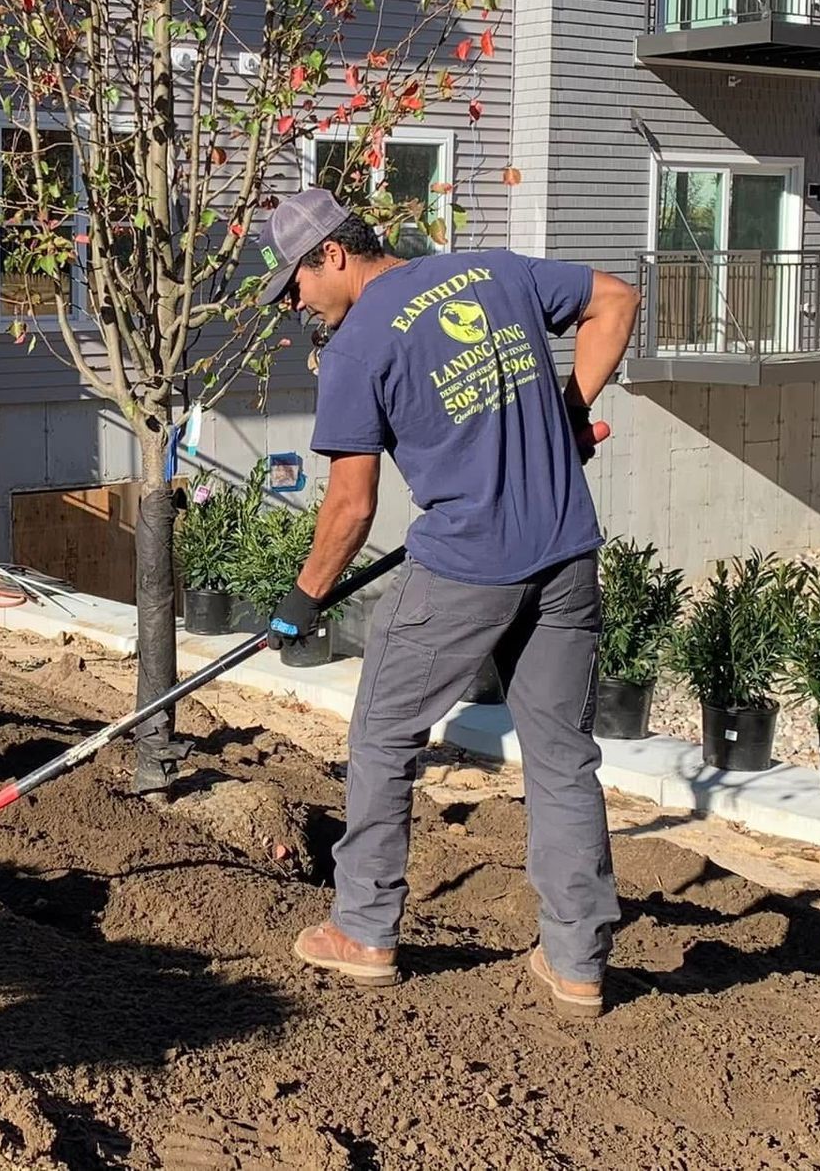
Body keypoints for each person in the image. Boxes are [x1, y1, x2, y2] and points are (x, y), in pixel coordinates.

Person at [257, 188, 639, 1019]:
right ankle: (577, 962)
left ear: (332, 254)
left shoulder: (356, 349)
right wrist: (570, 416)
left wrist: (302, 597)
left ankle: (363, 929)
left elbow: (351, 507)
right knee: (563, 758)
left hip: (468, 566)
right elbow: (617, 298)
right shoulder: (492, 272)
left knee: (385, 734)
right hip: (567, 549)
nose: (293, 305)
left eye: (293, 286)